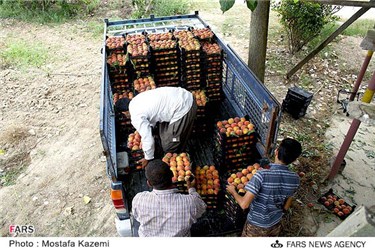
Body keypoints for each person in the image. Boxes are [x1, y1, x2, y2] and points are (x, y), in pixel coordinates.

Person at [226, 138, 302, 237]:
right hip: (275, 223)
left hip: (256, 225)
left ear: (276, 151)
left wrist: (233, 192)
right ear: (294, 160)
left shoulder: (261, 175)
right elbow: (286, 206)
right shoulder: (295, 179)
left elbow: (244, 205)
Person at [115, 87, 197, 168]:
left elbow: (148, 139)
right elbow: (152, 113)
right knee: (163, 135)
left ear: (124, 112)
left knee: (169, 145)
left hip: (184, 106)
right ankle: (175, 142)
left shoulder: (135, 116)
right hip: (182, 94)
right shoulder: (137, 99)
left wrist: (148, 158)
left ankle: (178, 154)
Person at [131, 159, 206, 237]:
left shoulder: (139, 200)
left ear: (149, 183)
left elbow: (136, 216)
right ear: (172, 175)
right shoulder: (190, 203)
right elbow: (202, 207)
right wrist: (191, 188)